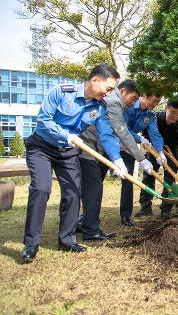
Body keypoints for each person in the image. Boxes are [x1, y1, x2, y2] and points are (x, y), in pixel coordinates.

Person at [21, 63, 124, 262]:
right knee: (41, 189)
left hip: (68, 152)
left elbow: (106, 134)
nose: (109, 93)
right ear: (95, 80)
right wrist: (66, 135)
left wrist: (117, 159)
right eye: (108, 88)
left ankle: (67, 240)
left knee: (73, 192)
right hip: (41, 147)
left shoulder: (99, 107)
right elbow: (43, 120)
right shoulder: (60, 92)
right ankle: (31, 244)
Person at [78, 79, 155, 240]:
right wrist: (140, 158)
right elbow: (121, 131)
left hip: (101, 144)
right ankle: (88, 226)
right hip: (88, 145)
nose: (133, 102)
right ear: (123, 91)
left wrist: (121, 156)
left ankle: (87, 224)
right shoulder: (114, 102)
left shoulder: (114, 103)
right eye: (133, 98)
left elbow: (111, 133)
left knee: (92, 187)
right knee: (92, 187)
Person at [135, 97, 178, 219]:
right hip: (154, 150)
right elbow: (145, 131)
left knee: (170, 181)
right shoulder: (155, 118)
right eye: (172, 112)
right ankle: (145, 207)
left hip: (171, 153)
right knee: (148, 176)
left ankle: (166, 209)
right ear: (166, 108)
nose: (175, 116)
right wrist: (149, 144)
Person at [118, 93, 165, 226]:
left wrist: (160, 152)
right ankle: (85, 216)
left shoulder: (151, 115)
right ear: (144, 95)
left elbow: (155, 134)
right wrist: (139, 138)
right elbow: (122, 128)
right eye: (154, 100)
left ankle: (126, 216)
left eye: (158, 102)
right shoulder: (129, 106)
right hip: (111, 143)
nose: (155, 104)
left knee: (128, 180)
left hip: (128, 148)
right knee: (97, 180)